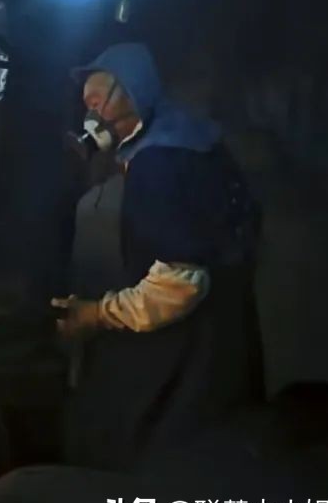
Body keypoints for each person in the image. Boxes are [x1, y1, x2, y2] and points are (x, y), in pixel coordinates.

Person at [51, 42, 263, 471]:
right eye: (85, 105)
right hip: (229, 327)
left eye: (97, 103)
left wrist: (98, 314)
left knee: (150, 449)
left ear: (133, 93)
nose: (90, 117)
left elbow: (180, 283)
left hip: (185, 346)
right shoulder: (193, 139)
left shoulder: (158, 165)